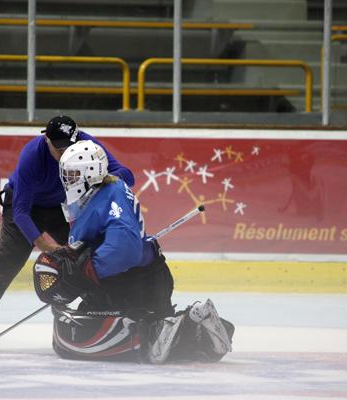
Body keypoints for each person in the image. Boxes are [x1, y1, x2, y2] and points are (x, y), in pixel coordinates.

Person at [33, 139, 234, 363]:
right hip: (143, 277)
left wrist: (87, 271)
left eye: (71, 175)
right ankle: (194, 327)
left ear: (89, 173)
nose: (66, 181)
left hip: (131, 281)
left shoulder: (107, 197)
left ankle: (157, 330)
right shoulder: (103, 193)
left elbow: (124, 248)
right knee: (88, 316)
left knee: (84, 336)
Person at [0, 116, 135, 347]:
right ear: (46, 139)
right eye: (58, 148)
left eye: (69, 146)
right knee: (5, 262)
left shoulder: (87, 144)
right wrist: (48, 247)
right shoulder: (32, 156)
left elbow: (127, 174)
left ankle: (102, 313)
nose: (64, 153)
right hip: (24, 208)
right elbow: (20, 212)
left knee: (87, 258)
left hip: (62, 208)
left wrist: (110, 178)